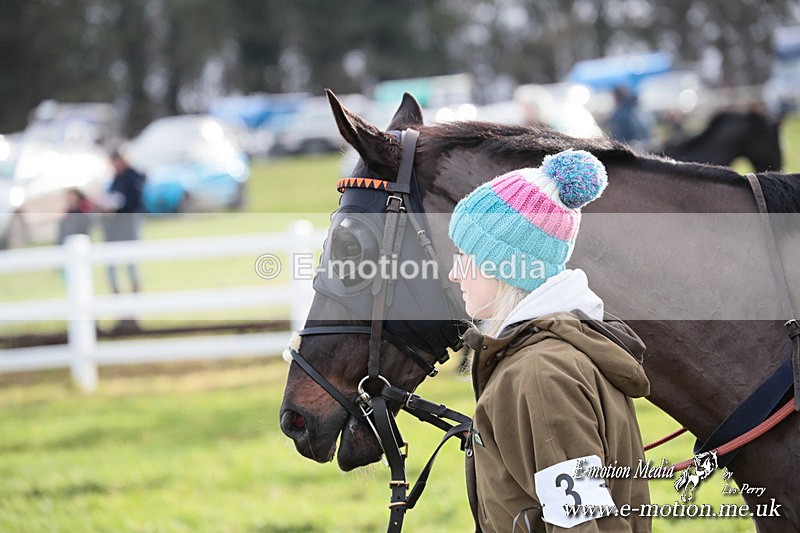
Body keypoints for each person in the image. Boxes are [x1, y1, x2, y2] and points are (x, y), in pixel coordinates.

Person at [448, 149, 651, 532]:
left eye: (464, 255)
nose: (455, 273)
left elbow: (579, 524)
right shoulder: (548, 355)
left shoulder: (542, 374)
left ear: (504, 267)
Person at [98, 148, 145, 295]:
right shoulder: (115, 178)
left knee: (131, 259)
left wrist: (118, 207)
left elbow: (135, 201)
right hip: (114, 225)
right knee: (111, 259)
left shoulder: (133, 176)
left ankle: (135, 293)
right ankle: (116, 293)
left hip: (128, 222)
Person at [607, 86, 652, 150]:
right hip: (645, 148)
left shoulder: (620, 114)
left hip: (630, 150)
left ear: (616, 96)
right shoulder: (639, 109)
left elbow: (618, 138)